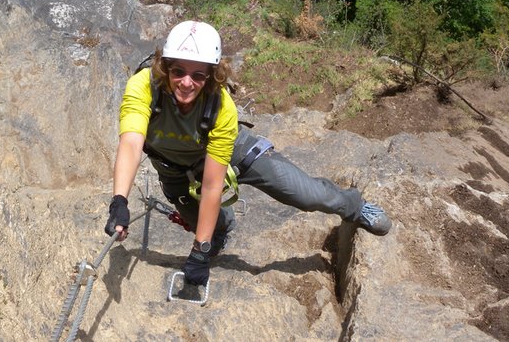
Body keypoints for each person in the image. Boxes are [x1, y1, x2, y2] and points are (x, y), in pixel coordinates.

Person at [105, 21, 391, 286]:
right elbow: (131, 143)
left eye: (198, 75)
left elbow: (213, 184)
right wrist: (120, 201)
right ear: (165, 67)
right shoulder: (144, 87)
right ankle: (221, 226)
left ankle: (353, 206)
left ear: (212, 76)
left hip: (235, 153)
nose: (186, 82)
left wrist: (199, 252)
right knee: (209, 226)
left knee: (305, 194)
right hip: (176, 172)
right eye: (178, 71)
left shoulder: (220, 106)